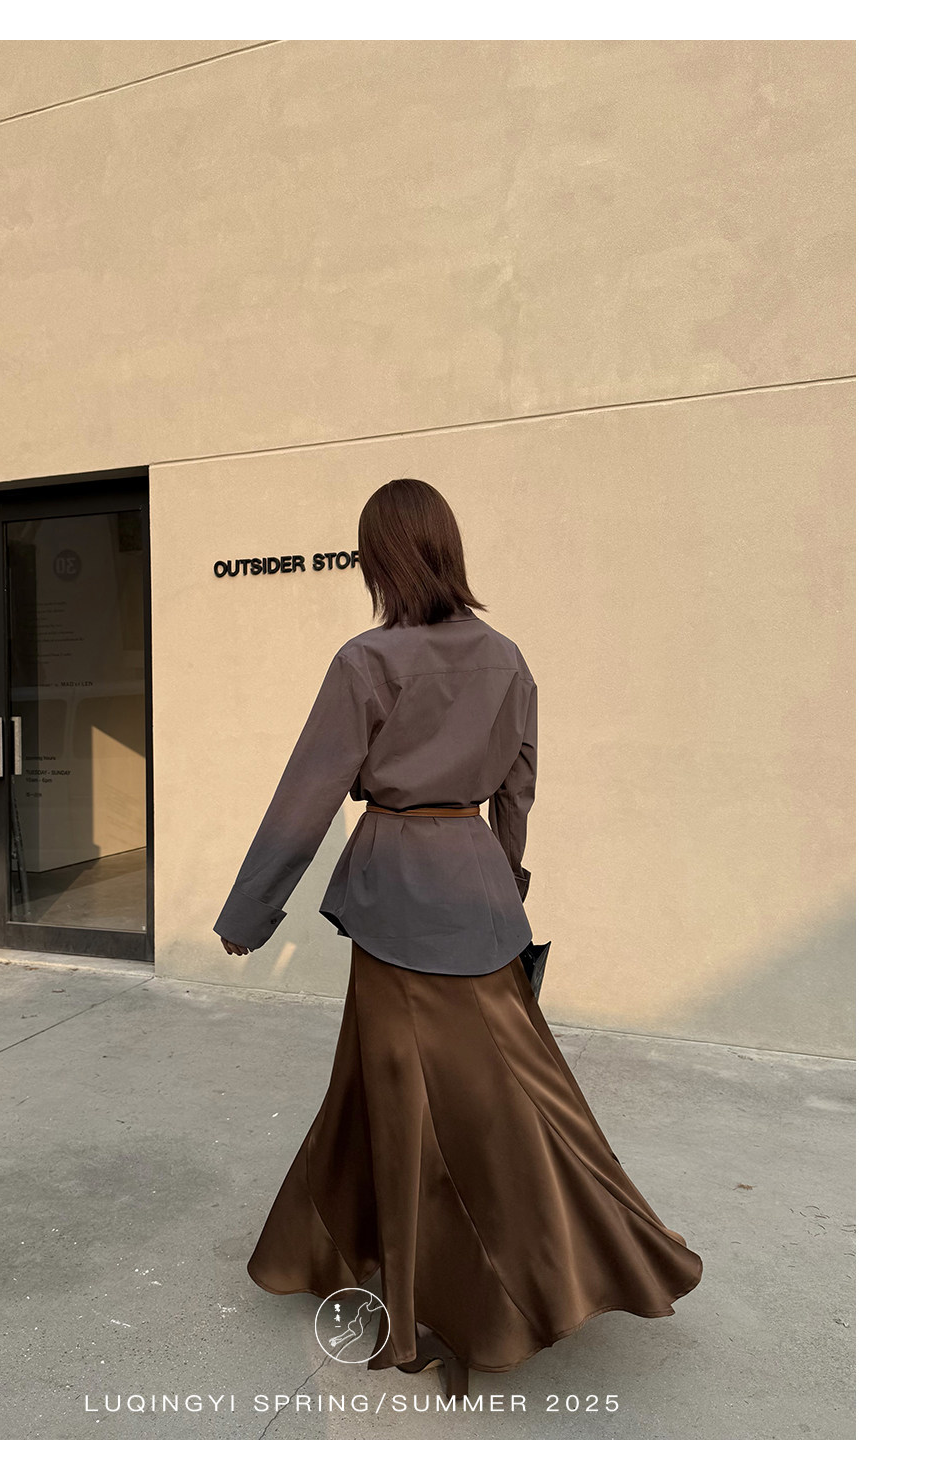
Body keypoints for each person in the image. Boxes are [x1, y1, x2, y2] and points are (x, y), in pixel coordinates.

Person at [214, 478, 703, 1399]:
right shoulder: (506, 658)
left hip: (397, 893)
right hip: (475, 882)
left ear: (380, 558)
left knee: (404, 1099)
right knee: (511, 1091)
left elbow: (306, 797)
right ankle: (546, 1253)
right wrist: (501, 884)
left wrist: (250, 914)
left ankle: (440, 1298)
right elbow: (518, 787)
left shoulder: (367, 661)